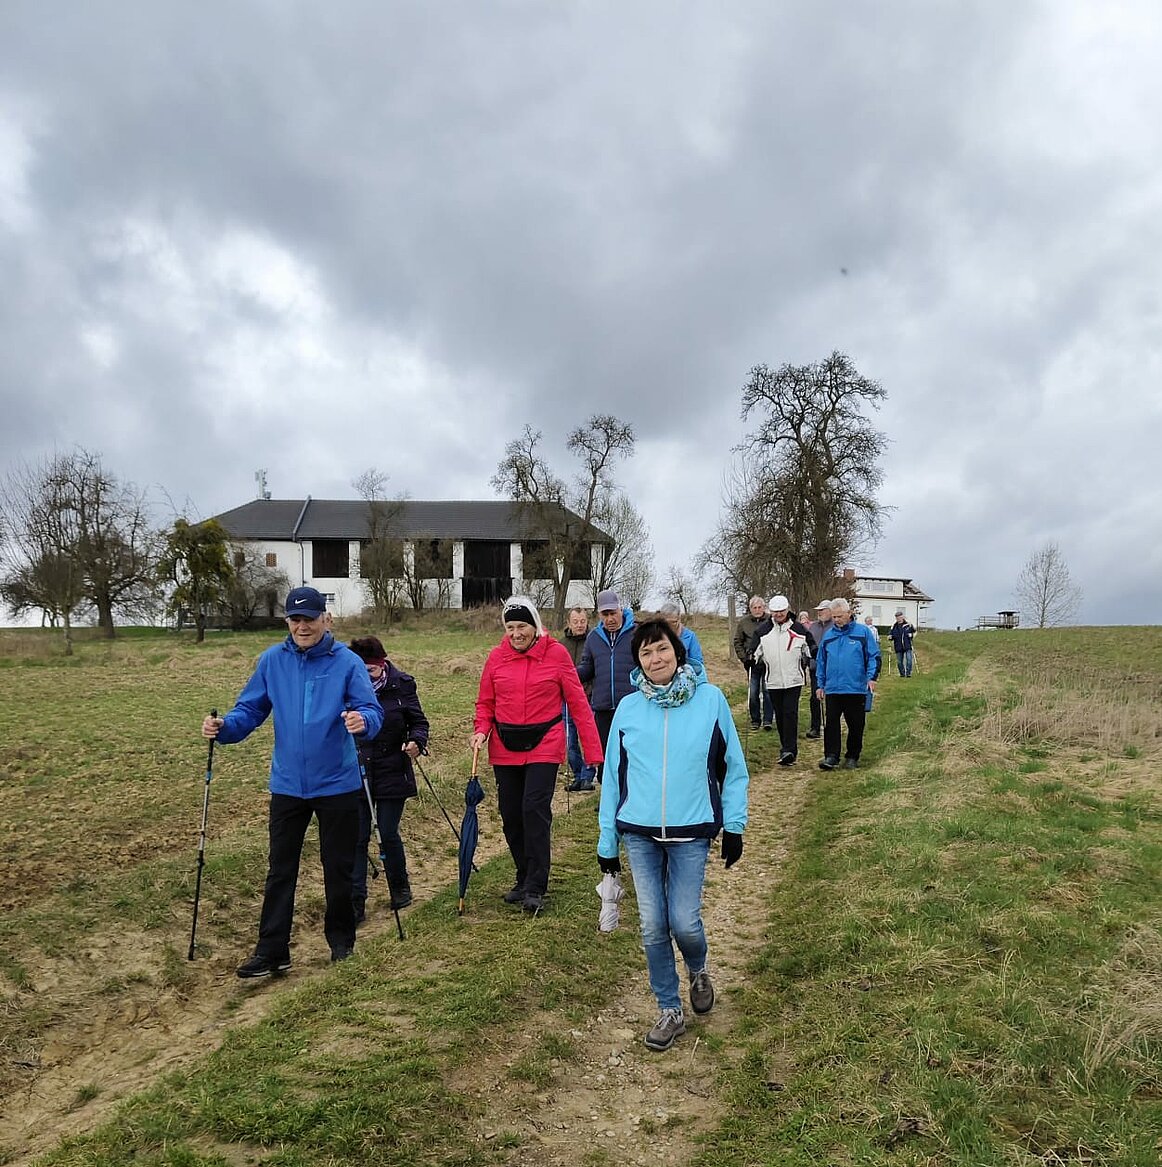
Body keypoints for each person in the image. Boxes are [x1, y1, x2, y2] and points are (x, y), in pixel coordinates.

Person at [202, 586, 384, 977]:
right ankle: (272, 951)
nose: (302, 626)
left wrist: (363, 721)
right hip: (287, 784)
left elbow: (371, 710)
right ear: (287, 621)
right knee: (280, 869)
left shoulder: (347, 663)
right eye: (295, 619)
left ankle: (341, 944)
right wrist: (224, 728)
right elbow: (250, 709)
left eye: (309, 619)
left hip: (337, 783)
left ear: (326, 620)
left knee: (337, 867)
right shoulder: (272, 661)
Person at [596, 618, 749, 1052]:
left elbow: (733, 768)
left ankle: (698, 969)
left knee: (684, 922)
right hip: (639, 833)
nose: (655, 658)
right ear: (638, 662)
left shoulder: (710, 700)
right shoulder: (628, 709)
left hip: (691, 830)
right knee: (652, 926)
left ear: (677, 652)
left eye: (661, 648)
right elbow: (613, 778)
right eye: (645, 653)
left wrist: (734, 825)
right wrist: (607, 843)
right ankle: (669, 1009)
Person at [472, 596, 602, 913]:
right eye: (510, 628)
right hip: (505, 745)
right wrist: (481, 730)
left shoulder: (556, 654)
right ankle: (523, 876)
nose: (516, 634)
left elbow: (578, 703)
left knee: (534, 809)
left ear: (535, 626)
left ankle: (535, 886)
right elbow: (486, 703)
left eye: (522, 627)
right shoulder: (496, 658)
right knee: (511, 815)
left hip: (545, 741)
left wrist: (593, 752)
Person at [347, 635, 430, 921]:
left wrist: (416, 742)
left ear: (382, 665)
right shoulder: (346, 687)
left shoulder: (402, 685)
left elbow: (419, 722)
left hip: (393, 768)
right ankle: (355, 901)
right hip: (356, 771)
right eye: (360, 671)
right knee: (356, 837)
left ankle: (399, 887)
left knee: (387, 831)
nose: (365, 677)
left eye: (370, 670)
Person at [576, 588, 637, 780]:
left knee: (630, 756)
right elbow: (587, 667)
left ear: (621, 610)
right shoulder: (593, 638)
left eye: (613, 613)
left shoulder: (636, 633)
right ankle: (607, 794)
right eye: (605, 614)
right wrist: (568, 676)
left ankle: (630, 794)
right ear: (599, 615)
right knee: (605, 759)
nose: (610, 619)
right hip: (603, 709)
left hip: (631, 707)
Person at [815, 598, 881, 771]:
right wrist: (820, 685)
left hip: (856, 687)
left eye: (840, 616)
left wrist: (871, 677)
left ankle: (852, 756)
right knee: (831, 724)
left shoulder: (863, 632)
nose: (837, 620)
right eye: (834, 617)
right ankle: (831, 756)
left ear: (849, 613)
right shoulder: (828, 636)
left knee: (856, 724)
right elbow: (821, 661)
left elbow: (873, 656)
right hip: (833, 688)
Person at [750, 595, 813, 766]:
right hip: (773, 680)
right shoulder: (763, 631)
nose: (779, 614)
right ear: (771, 612)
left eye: (782, 611)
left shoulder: (798, 628)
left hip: (794, 679)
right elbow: (754, 651)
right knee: (780, 715)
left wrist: (813, 653)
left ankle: (789, 750)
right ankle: (785, 747)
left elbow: (810, 646)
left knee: (790, 713)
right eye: (775, 612)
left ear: (787, 610)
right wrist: (750, 659)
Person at [561, 606, 597, 792]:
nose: (579, 625)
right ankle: (577, 775)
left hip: (588, 697)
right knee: (570, 740)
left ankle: (588, 776)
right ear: (569, 623)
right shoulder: (561, 645)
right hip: (567, 699)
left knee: (588, 738)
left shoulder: (594, 641)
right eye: (575, 622)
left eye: (582, 621)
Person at [733, 595, 772, 731]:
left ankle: (768, 719)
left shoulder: (770, 620)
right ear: (750, 609)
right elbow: (737, 641)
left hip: (768, 661)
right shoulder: (744, 623)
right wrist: (744, 658)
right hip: (752, 662)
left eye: (759, 607)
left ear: (764, 607)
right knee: (753, 692)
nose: (757, 610)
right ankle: (755, 719)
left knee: (768, 691)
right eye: (754, 608)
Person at [805, 599, 833, 739]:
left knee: (832, 698)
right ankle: (815, 727)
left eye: (822, 610)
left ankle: (831, 726)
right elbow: (807, 645)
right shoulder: (813, 627)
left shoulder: (835, 626)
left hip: (832, 668)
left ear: (830, 611)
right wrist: (806, 661)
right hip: (815, 667)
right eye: (818, 611)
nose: (819, 613)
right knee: (814, 697)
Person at [659, 602, 704, 670]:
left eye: (673, 622)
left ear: (679, 619)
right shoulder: (656, 635)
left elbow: (697, 664)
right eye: (666, 623)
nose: (669, 626)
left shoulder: (690, 636)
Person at [889, 610, 916, 677]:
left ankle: (908, 673)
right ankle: (902, 674)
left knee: (909, 660)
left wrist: (911, 635)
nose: (898, 618)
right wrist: (890, 637)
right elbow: (891, 635)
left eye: (900, 617)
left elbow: (914, 632)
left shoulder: (908, 625)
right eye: (897, 617)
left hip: (907, 645)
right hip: (898, 646)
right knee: (899, 662)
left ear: (902, 617)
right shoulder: (894, 626)